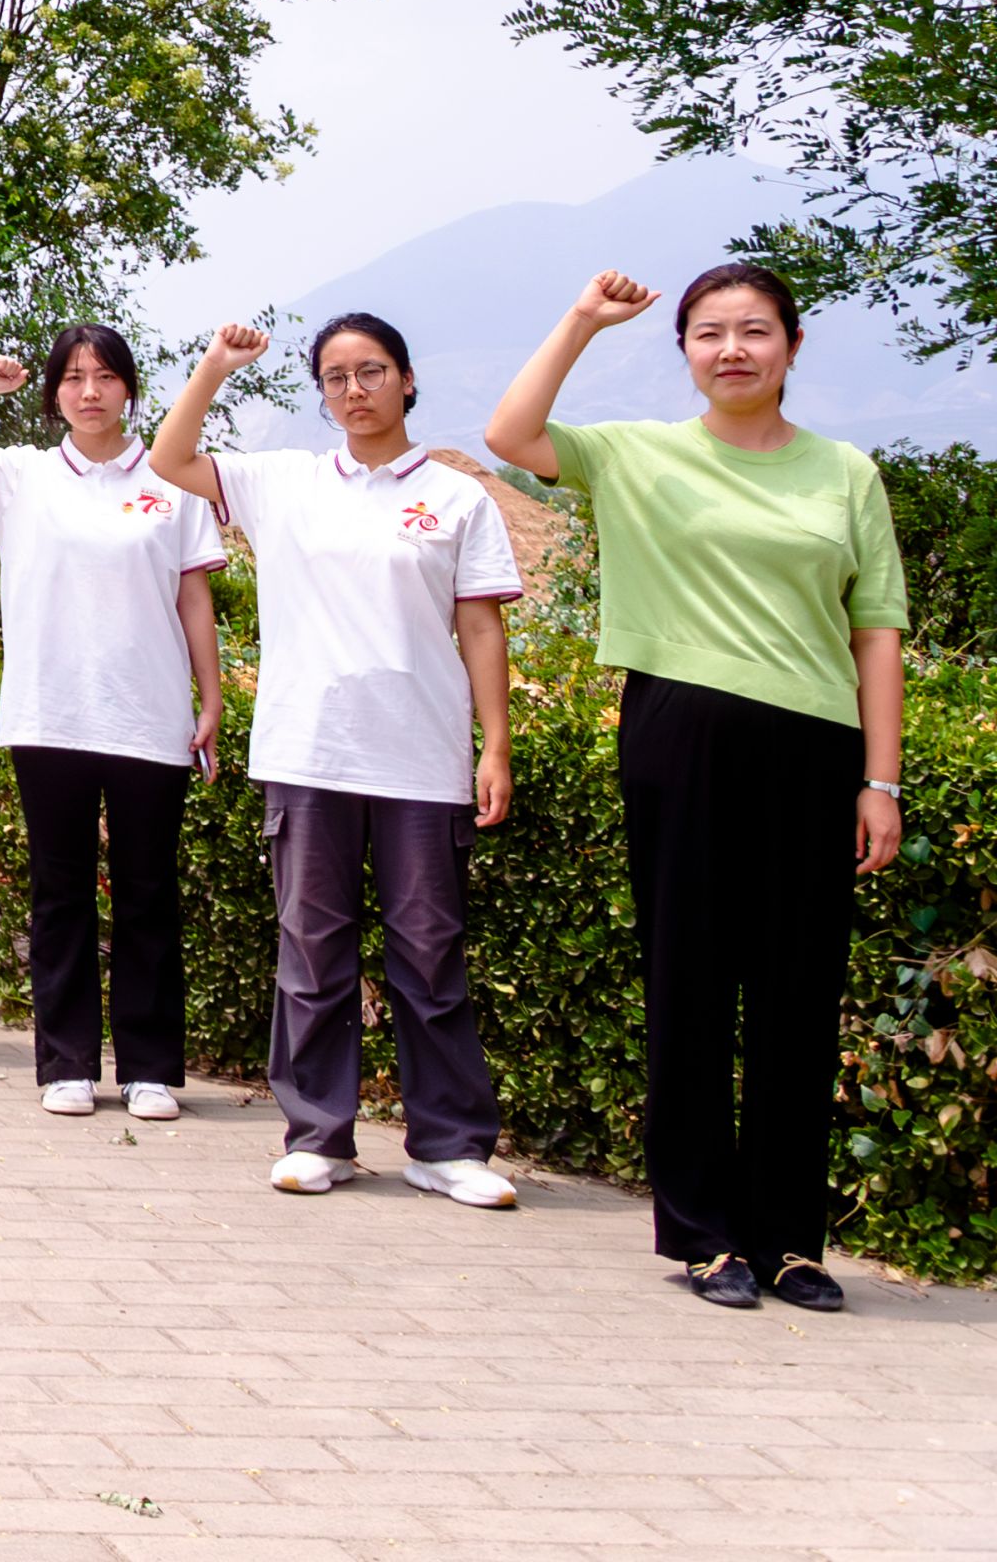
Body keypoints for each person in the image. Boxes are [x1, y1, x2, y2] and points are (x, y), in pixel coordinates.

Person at [487, 263, 909, 1310]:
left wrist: (880, 780)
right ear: (682, 351)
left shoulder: (844, 473)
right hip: (678, 737)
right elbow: (510, 434)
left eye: (755, 330)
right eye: (709, 332)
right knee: (690, 984)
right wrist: (582, 319)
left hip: (814, 747)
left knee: (797, 994)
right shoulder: (636, 454)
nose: (732, 349)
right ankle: (705, 1236)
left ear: (793, 347)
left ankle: (789, 1240)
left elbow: (875, 631)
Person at [151, 313, 522, 1208]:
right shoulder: (284, 482)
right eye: (336, 378)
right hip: (308, 754)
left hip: (421, 758)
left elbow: (480, 624)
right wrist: (215, 367)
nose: (355, 390)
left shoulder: (458, 498)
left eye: (372, 371)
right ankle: (318, 1136)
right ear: (321, 393)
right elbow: (169, 458)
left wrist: (496, 743)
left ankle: (448, 1147)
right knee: (312, 953)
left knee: (429, 955)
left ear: (407, 379)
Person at [0, 327, 227, 1121]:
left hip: (149, 715)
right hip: (50, 715)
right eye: (74, 378)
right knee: (61, 893)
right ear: (53, 393)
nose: (90, 392)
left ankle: (150, 1070)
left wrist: (211, 698)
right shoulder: (21, 474)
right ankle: (68, 1062)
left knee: (148, 893)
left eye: (106, 377)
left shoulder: (170, 477)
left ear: (129, 389)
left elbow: (193, 596)